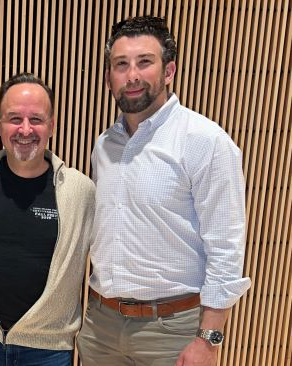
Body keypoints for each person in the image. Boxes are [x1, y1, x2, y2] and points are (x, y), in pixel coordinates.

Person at [76, 16, 251, 366]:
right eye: (121, 65)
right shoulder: (104, 144)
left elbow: (226, 246)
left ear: (168, 71)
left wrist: (209, 338)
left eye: (145, 62)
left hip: (172, 329)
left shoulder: (205, 141)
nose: (132, 76)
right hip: (101, 324)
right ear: (110, 76)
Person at [0, 73, 95, 365]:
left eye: (36, 119)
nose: (25, 129)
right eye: (14, 119)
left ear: (52, 126)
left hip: (48, 349)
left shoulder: (81, 191)